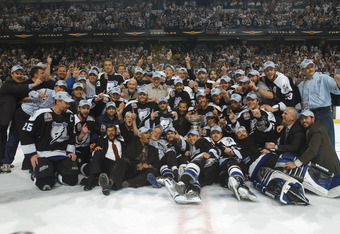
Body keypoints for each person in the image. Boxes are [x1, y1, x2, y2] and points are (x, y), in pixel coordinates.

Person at [20, 91, 78, 191]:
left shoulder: (70, 116)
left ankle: (54, 173)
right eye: (66, 103)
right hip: (43, 154)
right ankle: (38, 173)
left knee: (72, 180)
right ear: (58, 101)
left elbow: (71, 135)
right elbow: (25, 133)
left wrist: (70, 152)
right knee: (45, 184)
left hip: (61, 154)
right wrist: (32, 154)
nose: (68, 106)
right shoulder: (40, 114)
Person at [0, 65, 42, 171]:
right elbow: (18, 89)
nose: (19, 76)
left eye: (21, 74)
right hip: (2, 117)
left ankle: (3, 162)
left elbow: (19, 96)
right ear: (11, 74)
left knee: (4, 140)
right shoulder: (8, 83)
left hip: (7, 118)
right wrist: (34, 85)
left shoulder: (17, 85)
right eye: (17, 73)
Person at [98, 126, 160, 195]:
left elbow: (157, 164)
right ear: (139, 135)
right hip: (131, 170)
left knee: (153, 172)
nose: (149, 135)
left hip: (141, 175)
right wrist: (138, 167)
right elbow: (129, 160)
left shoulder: (154, 150)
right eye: (146, 133)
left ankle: (125, 184)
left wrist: (148, 166)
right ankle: (110, 183)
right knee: (123, 160)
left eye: (149, 133)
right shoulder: (132, 143)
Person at [298, 59, 340, 148]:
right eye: (307, 68)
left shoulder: (323, 78)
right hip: (309, 114)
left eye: (312, 67)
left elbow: (336, 90)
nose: (310, 69)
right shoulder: (301, 85)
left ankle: (329, 160)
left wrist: (338, 84)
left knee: (327, 138)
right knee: (312, 139)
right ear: (302, 71)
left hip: (323, 112)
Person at [83, 124, 125, 191]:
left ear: (116, 132)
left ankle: (101, 181)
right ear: (106, 133)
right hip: (106, 165)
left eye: (112, 131)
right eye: (109, 131)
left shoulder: (121, 143)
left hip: (118, 166)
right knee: (98, 152)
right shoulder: (102, 141)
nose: (111, 133)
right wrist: (95, 149)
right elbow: (93, 156)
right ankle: (90, 181)